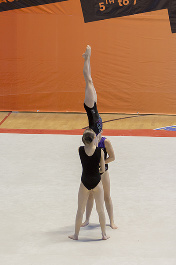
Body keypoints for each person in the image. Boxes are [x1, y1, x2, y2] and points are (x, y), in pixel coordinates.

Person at [82, 45, 117, 229]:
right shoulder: (91, 111)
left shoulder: (92, 111)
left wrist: (102, 164)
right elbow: (88, 148)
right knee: (88, 81)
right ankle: (87, 219)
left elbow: (111, 157)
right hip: (96, 166)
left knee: (90, 81)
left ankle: (111, 221)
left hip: (103, 169)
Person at [69, 129, 110, 240]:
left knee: (80, 210)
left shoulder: (80, 149)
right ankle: (104, 234)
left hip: (84, 182)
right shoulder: (100, 151)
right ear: (94, 139)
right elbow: (102, 168)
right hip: (97, 181)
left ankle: (76, 235)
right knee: (100, 209)